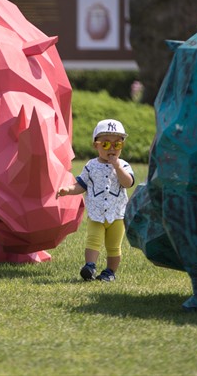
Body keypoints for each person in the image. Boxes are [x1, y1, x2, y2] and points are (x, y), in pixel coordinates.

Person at [57, 119, 134, 282]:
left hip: (117, 215)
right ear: (95, 146)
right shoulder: (91, 166)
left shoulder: (124, 165)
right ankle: (90, 266)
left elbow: (128, 183)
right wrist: (68, 190)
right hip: (96, 213)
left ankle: (110, 272)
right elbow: (81, 185)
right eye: (105, 144)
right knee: (93, 240)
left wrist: (118, 167)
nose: (111, 149)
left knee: (114, 246)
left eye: (117, 144)